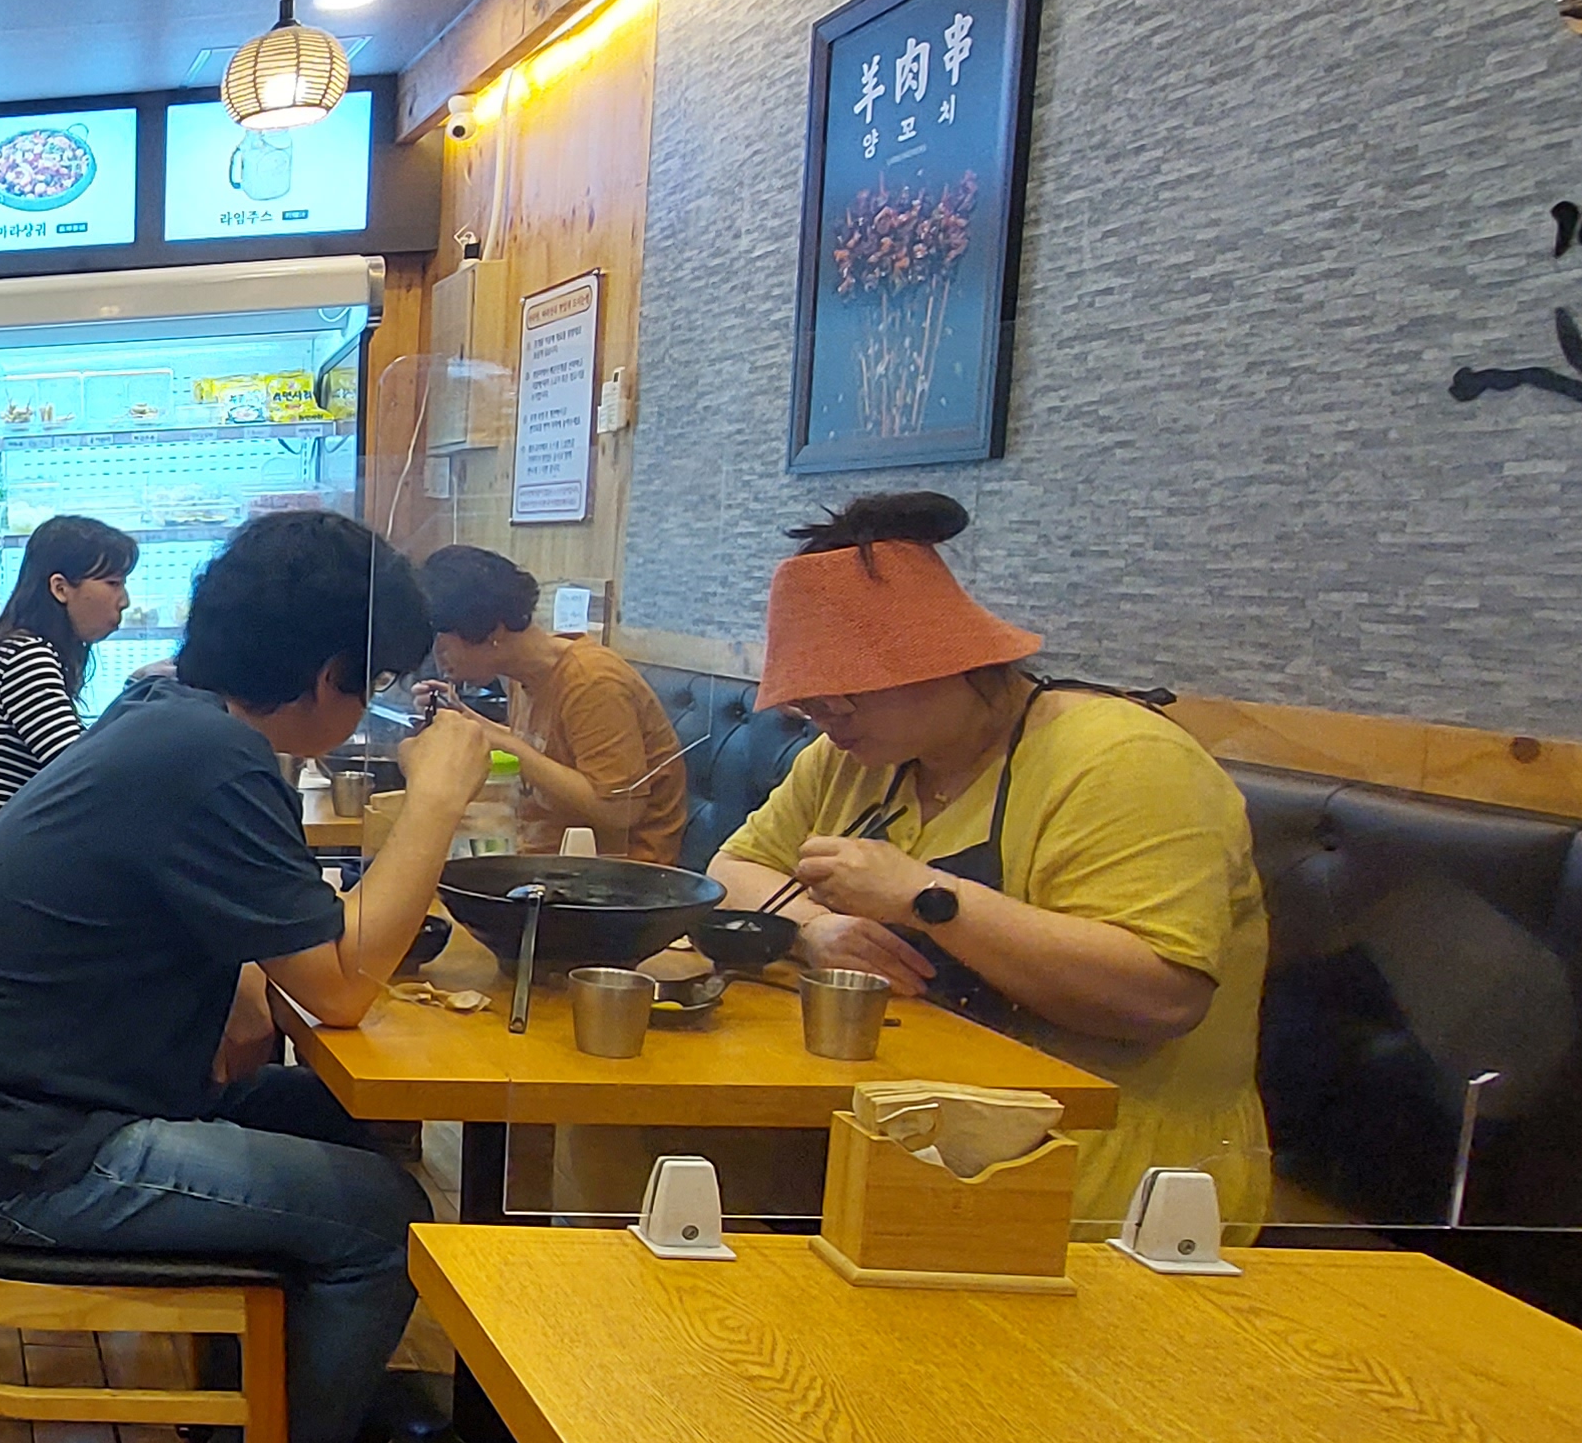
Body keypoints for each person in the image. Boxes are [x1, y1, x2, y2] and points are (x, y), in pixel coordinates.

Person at [0, 509, 507, 1443]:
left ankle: (269, 1420)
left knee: (342, 1121)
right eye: (372, 681)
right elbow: (337, 989)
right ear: (326, 676)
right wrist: (434, 797)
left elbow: (247, 937)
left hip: (34, 1104)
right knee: (385, 1217)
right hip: (35, 1157)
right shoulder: (210, 754)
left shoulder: (165, 709)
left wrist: (245, 971)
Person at [709, 492, 1270, 1232]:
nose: (823, 720)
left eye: (844, 700)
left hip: (1107, 1178)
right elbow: (733, 870)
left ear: (951, 662)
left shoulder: (1123, 760)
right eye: (810, 705)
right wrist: (816, 929)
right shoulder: (854, 756)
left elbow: (1159, 997)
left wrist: (925, 898)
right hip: (901, 1126)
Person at [419, 545, 691, 862]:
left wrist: (506, 744)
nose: (438, 656)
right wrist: (468, 719)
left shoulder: (591, 681)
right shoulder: (524, 675)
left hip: (618, 873)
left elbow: (620, 810)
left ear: (492, 631)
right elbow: (548, 751)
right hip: (543, 858)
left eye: (443, 641)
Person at [0, 514, 136, 886]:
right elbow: (80, 772)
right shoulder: (26, 657)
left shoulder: (17, 647)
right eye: (113, 583)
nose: (125, 601)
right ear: (60, 588)